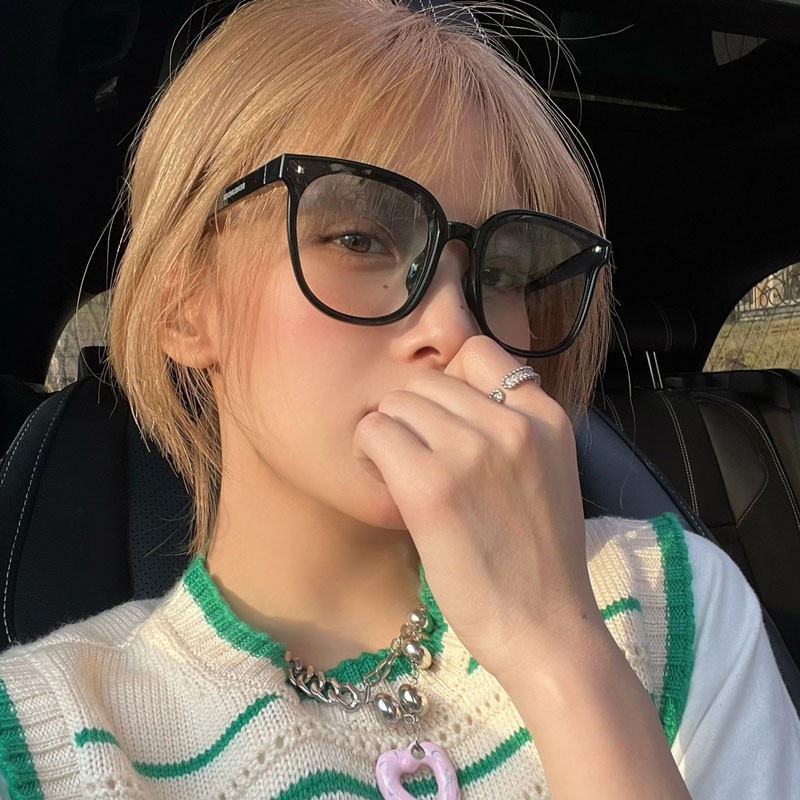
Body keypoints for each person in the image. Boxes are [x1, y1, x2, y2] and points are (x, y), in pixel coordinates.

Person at [0, 1, 798, 798]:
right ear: (185, 302)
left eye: (503, 273)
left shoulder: (670, 600)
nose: (455, 329)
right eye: (358, 239)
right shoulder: (48, 730)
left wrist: (556, 646)